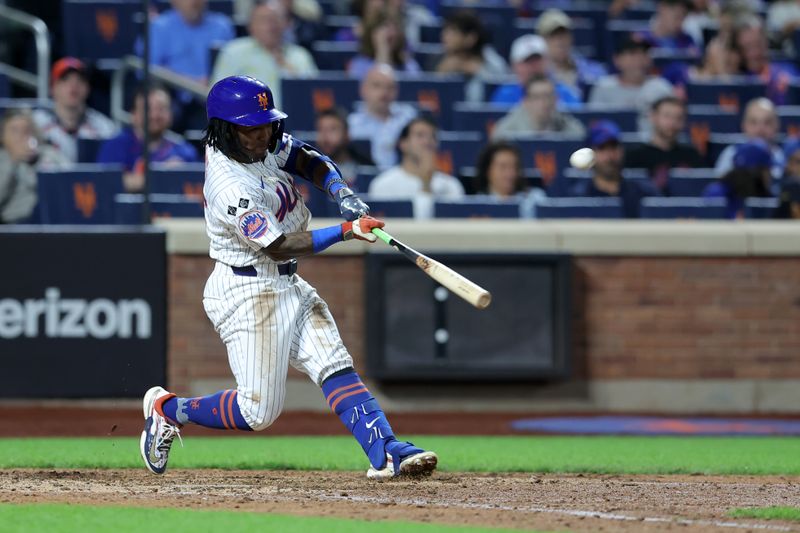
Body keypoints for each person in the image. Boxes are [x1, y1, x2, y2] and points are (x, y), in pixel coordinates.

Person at [139, 75, 438, 480]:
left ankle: (385, 450)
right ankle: (168, 409)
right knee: (257, 412)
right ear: (225, 130)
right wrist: (347, 231)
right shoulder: (229, 183)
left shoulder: (256, 138)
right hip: (247, 290)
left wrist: (341, 192)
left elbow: (305, 157)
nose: (262, 134)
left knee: (334, 364)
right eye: (250, 127)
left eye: (265, 123)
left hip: (287, 284)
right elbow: (277, 244)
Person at [211, 0, 318, 108]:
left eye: (275, 20)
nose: (270, 26)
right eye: (263, 20)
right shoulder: (233, 52)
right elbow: (219, 96)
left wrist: (291, 72)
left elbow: (316, 96)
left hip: (293, 119)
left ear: (286, 24)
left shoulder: (300, 56)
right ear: (251, 26)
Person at [96, 84, 199, 192]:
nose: (154, 115)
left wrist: (185, 174)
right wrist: (163, 175)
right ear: (134, 114)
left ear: (170, 114)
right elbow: (104, 183)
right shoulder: (115, 146)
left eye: (161, 109)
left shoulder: (185, 152)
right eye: (147, 109)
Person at [368, 116, 464, 219]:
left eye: (433, 137)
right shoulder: (383, 184)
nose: (427, 141)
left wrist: (426, 184)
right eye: (420, 135)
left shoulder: (451, 186)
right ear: (403, 143)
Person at [567, 120, 660, 218]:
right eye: (602, 148)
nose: (610, 156)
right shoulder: (579, 197)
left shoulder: (644, 192)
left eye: (614, 147)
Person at [32, 57, 117, 164]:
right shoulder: (36, 123)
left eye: (80, 80)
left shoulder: (104, 127)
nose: (73, 86)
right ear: (52, 88)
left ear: (88, 88)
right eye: (65, 79)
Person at [588, 35, 674, 134]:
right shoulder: (604, 87)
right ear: (617, 59)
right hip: (613, 146)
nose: (639, 59)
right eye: (632, 53)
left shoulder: (661, 87)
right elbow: (595, 124)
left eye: (644, 53)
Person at [137, 0, 234, 85]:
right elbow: (148, 71)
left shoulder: (222, 27)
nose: (194, 2)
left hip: (215, 94)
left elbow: (233, 66)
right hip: (173, 95)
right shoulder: (158, 28)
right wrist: (191, 82)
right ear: (173, 1)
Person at [0, 109, 70, 223]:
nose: (21, 136)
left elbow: (71, 180)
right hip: (14, 226)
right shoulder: (2, 159)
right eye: (14, 130)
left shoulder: (49, 154)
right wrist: (13, 162)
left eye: (26, 130)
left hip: (53, 220)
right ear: (2, 137)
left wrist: (35, 162)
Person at [625, 96, 705, 193]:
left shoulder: (693, 155)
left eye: (678, 118)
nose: (672, 123)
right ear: (653, 117)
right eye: (667, 116)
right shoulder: (634, 156)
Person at [347, 64, 417, 170]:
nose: (384, 93)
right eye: (377, 86)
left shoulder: (408, 118)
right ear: (363, 89)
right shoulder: (352, 124)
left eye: (390, 87)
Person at [489, 34, 582, 109]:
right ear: (514, 66)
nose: (533, 67)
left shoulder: (565, 93)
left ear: (547, 62)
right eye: (527, 61)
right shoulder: (504, 95)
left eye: (537, 60)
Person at [434, 10, 508, 102]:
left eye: (453, 31)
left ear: (470, 38)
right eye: (445, 31)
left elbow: (504, 84)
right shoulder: (438, 59)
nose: (444, 36)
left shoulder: (489, 57)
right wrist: (439, 75)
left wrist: (478, 70)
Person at [535, 10, 607, 100]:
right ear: (541, 40)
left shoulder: (592, 70)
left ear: (571, 38)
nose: (559, 41)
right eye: (553, 36)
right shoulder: (536, 75)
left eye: (563, 34)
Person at [714, 98, 784, 187]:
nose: (760, 129)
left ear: (777, 126)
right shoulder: (730, 154)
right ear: (743, 125)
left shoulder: (783, 157)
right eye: (753, 122)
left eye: (767, 122)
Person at [491, 75, 585, 141]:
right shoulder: (507, 130)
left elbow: (580, 135)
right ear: (525, 102)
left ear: (556, 99)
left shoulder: (569, 126)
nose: (544, 102)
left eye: (548, 96)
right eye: (537, 97)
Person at [732, 15, 797, 105]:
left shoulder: (786, 71)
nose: (754, 53)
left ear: (766, 42)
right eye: (747, 47)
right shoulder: (733, 78)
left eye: (758, 44)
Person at [704, 139, 773, 218]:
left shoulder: (764, 198)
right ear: (756, 173)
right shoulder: (717, 192)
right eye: (766, 171)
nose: (769, 176)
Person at [473, 141, 544, 218]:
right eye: (503, 167)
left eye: (514, 167)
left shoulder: (534, 200)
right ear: (487, 171)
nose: (510, 173)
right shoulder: (477, 205)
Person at [347, 9, 420, 79]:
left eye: (395, 28)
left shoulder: (409, 65)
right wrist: (382, 51)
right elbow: (379, 85)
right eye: (385, 26)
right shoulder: (359, 65)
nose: (392, 33)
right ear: (373, 33)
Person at [315, 107, 374, 190]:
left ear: (347, 134)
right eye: (320, 130)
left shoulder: (366, 168)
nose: (325, 137)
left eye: (332, 129)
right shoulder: (307, 170)